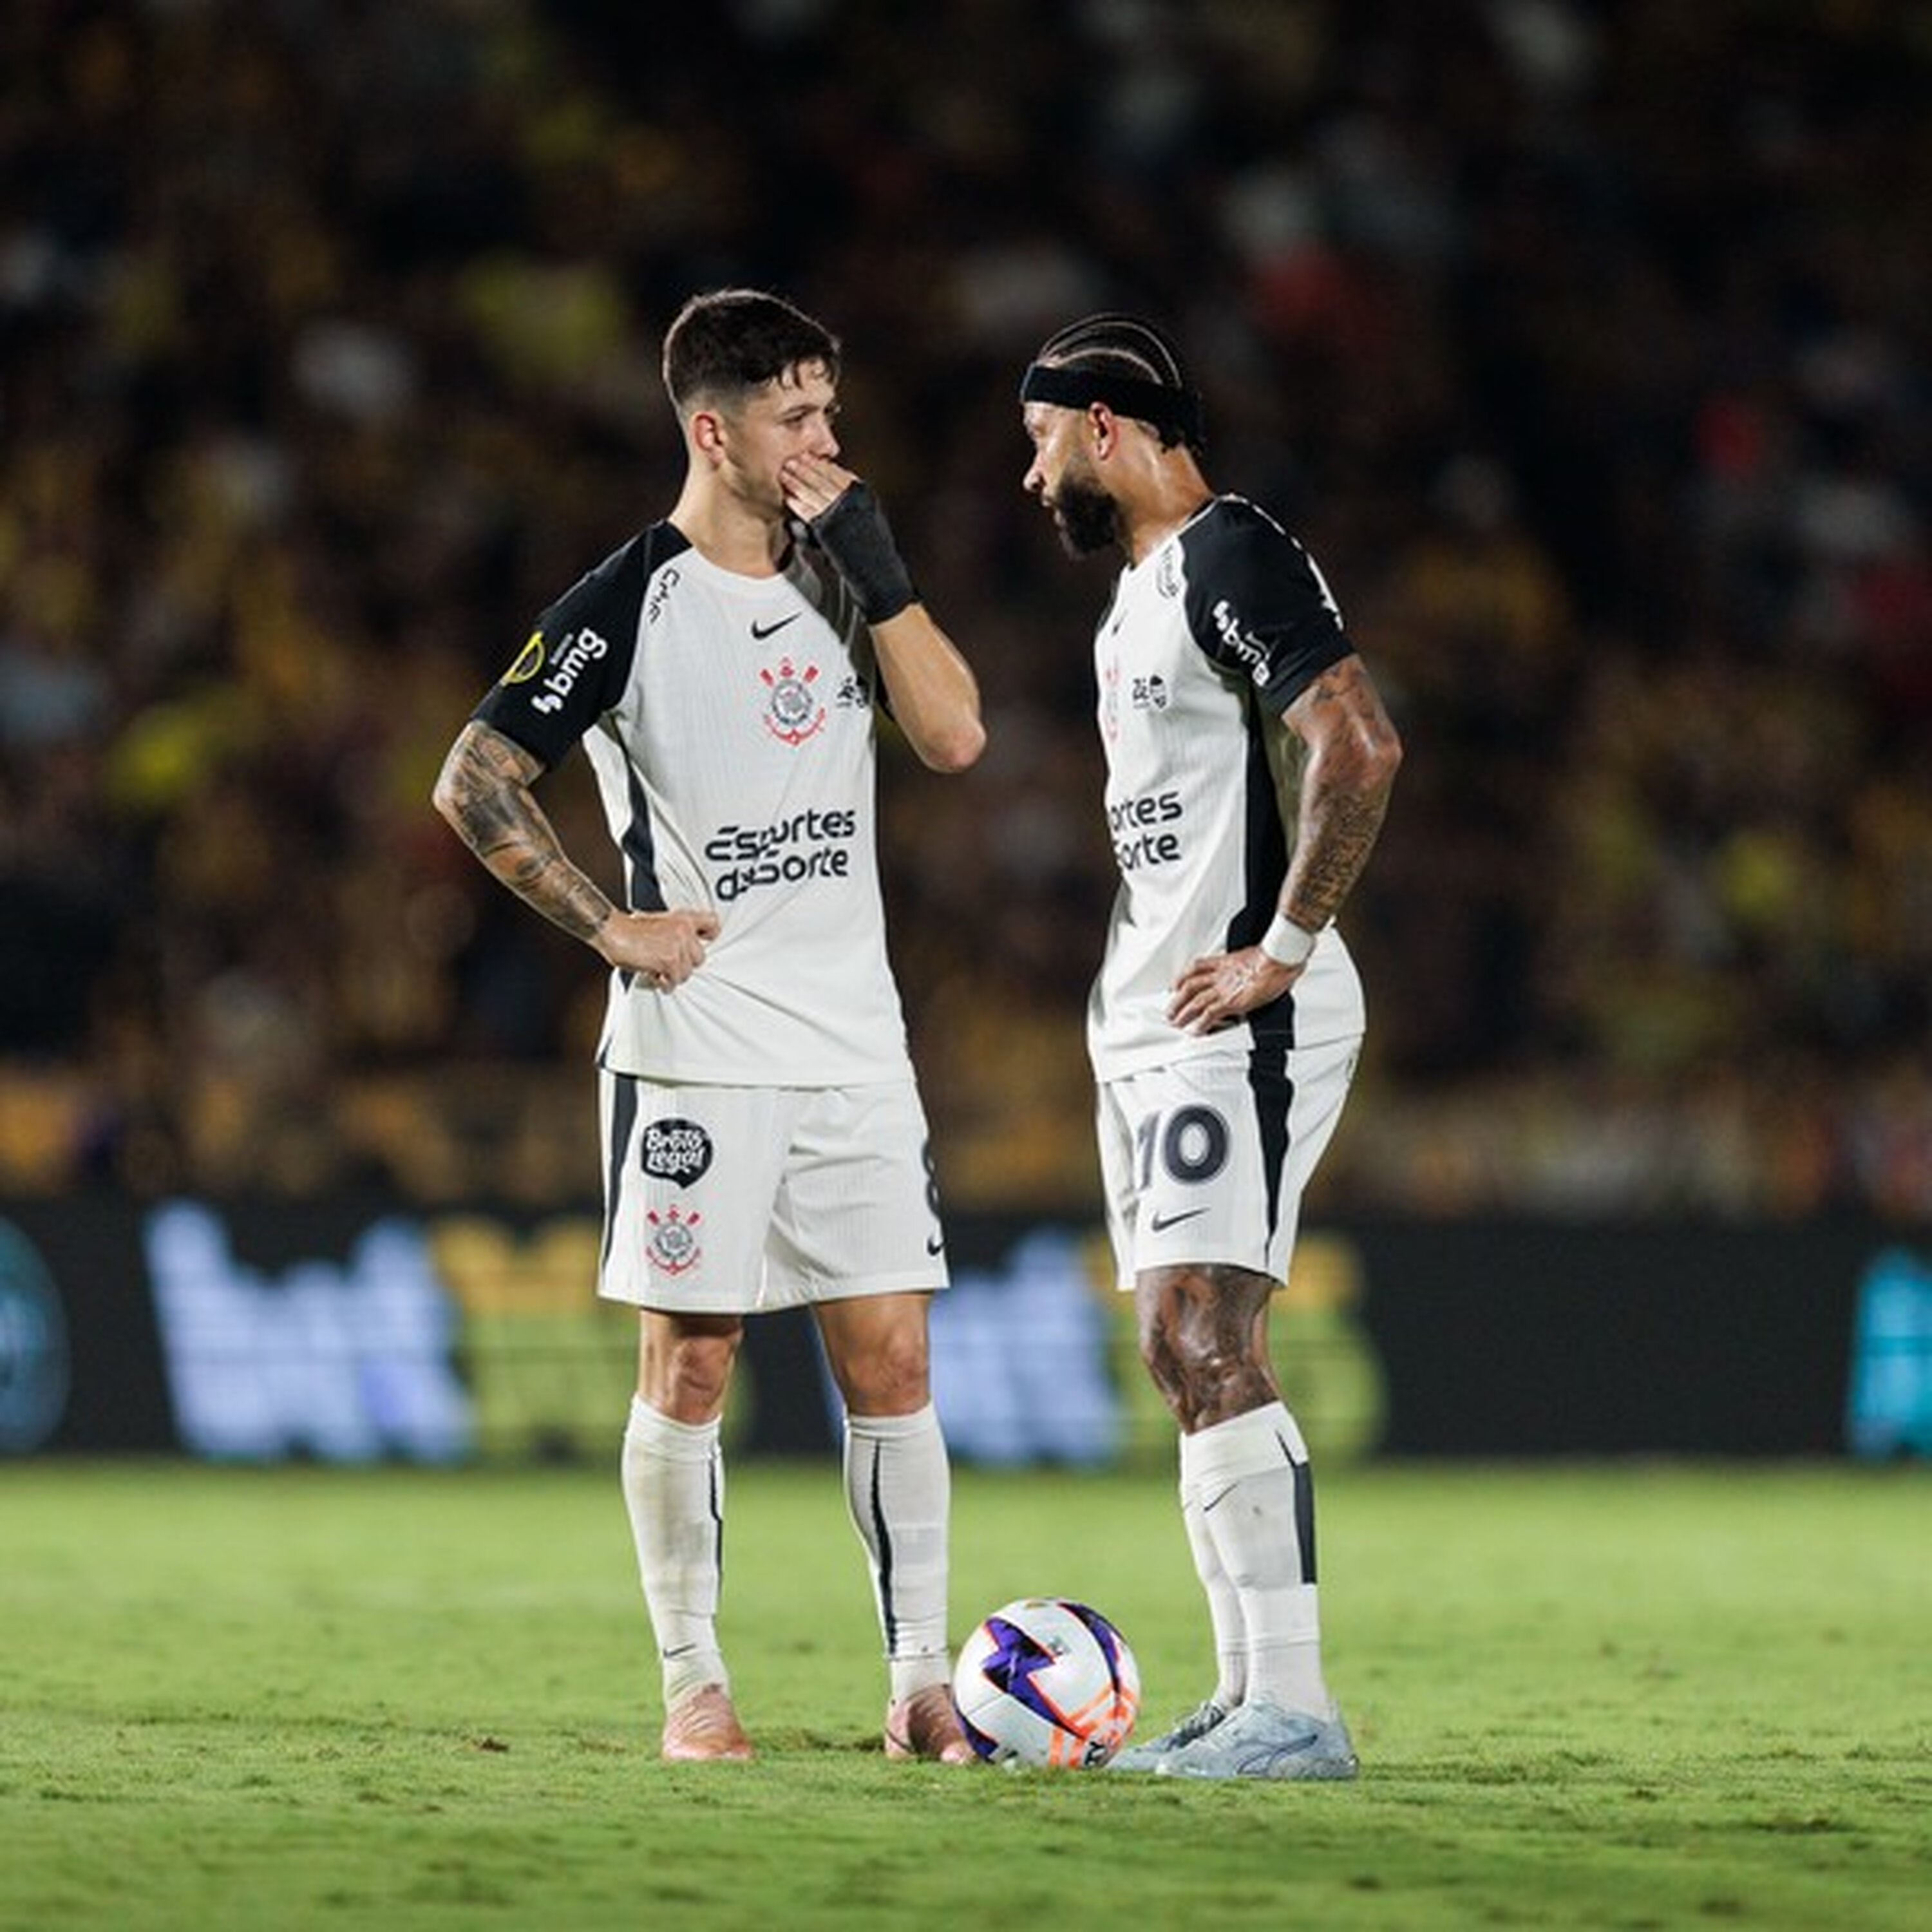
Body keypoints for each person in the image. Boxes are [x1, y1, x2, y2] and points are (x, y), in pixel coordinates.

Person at [433, 288, 985, 1764]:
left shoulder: (845, 577)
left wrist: (885, 571)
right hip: (697, 1048)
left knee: (895, 1368)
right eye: (797, 415)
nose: (826, 439)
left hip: (856, 1046)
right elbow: (475, 778)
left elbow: (952, 737)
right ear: (713, 430)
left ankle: (920, 1683)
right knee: (691, 1366)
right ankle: (695, 1685)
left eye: (830, 409)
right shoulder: (628, 600)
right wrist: (608, 926)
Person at [1018, 314, 1402, 1780]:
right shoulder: (1135, 601)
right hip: (1153, 1027)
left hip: (1239, 1018)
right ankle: (1246, 1700)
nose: (1032, 471)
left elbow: (1356, 742)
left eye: (1040, 437)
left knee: (1207, 1333)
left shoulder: (1231, 552)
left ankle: (1299, 1711)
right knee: (1175, 1354)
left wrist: (1284, 951)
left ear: (1106, 427)